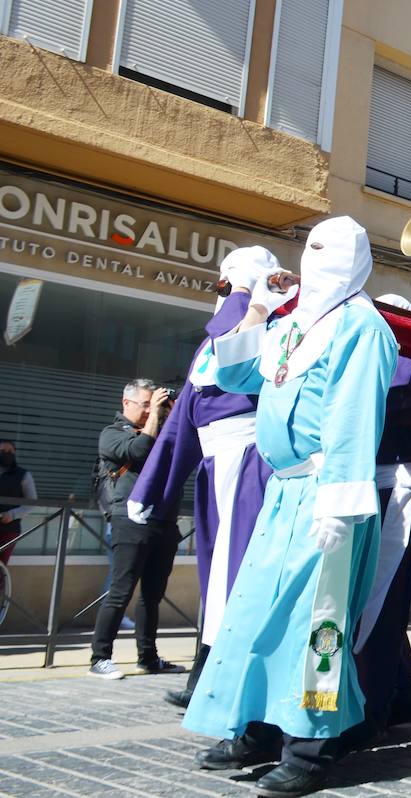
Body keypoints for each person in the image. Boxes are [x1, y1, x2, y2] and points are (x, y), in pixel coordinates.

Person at [183, 216, 397, 798]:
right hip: (282, 492)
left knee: (315, 622)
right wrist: (256, 309)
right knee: (253, 611)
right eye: (312, 245)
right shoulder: (293, 323)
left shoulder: (363, 327)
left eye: (333, 249)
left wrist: (339, 504)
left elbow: (355, 416)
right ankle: (253, 726)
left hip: (327, 494)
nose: (316, 257)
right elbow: (225, 373)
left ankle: (310, 748)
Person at [128, 247, 279, 706]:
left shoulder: (271, 329)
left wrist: (249, 299)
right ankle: (206, 679)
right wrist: (151, 487)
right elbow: (182, 424)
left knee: (240, 577)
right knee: (217, 577)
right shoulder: (207, 347)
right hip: (216, 469)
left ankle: (229, 686)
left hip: (255, 462)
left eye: (227, 281)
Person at [351, 293, 411, 737]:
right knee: (376, 601)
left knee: (378, 603)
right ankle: (401, 695)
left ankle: (371, 709)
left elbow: (395, 391)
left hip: (395, 487)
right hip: (370, 486)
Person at [89, 379, 182, 680]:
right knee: (121, 590)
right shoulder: (112, 433)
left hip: (164, 521)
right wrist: (155, 415)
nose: (148, 410)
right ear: (126, 403)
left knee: (152, 595)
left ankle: (148, 657)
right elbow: (140, 452)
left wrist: (176, 412)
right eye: (144, 404)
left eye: (151, 404)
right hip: (129, 520)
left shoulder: (164, 431)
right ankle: (100, 657)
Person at [0, 439, 38, 564]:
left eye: (11, 451)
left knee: (1, 567)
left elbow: (32, 502)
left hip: (8, 529)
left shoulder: (23, 475)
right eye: (3, 451)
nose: (7, 453)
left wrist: (12, 514)